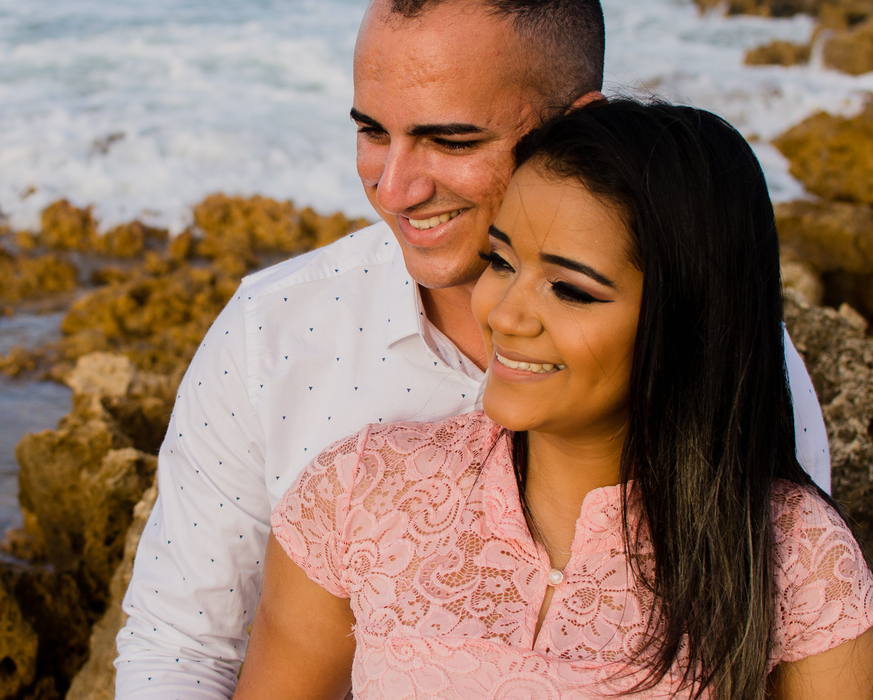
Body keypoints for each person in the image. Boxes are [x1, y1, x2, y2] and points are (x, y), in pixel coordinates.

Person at [114, 0, 831, 697]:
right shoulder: (274, 332)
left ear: (575, 123)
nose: (394, 189)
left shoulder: (720, 355)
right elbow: (177, 647)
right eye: (370, 132)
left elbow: (779, 609)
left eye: (448, 140)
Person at [235, 99, 873, 699]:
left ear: (691, 322)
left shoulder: (798, 562)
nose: (507, 314)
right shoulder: (359, 496)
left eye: (570, 290)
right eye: (503, 261)